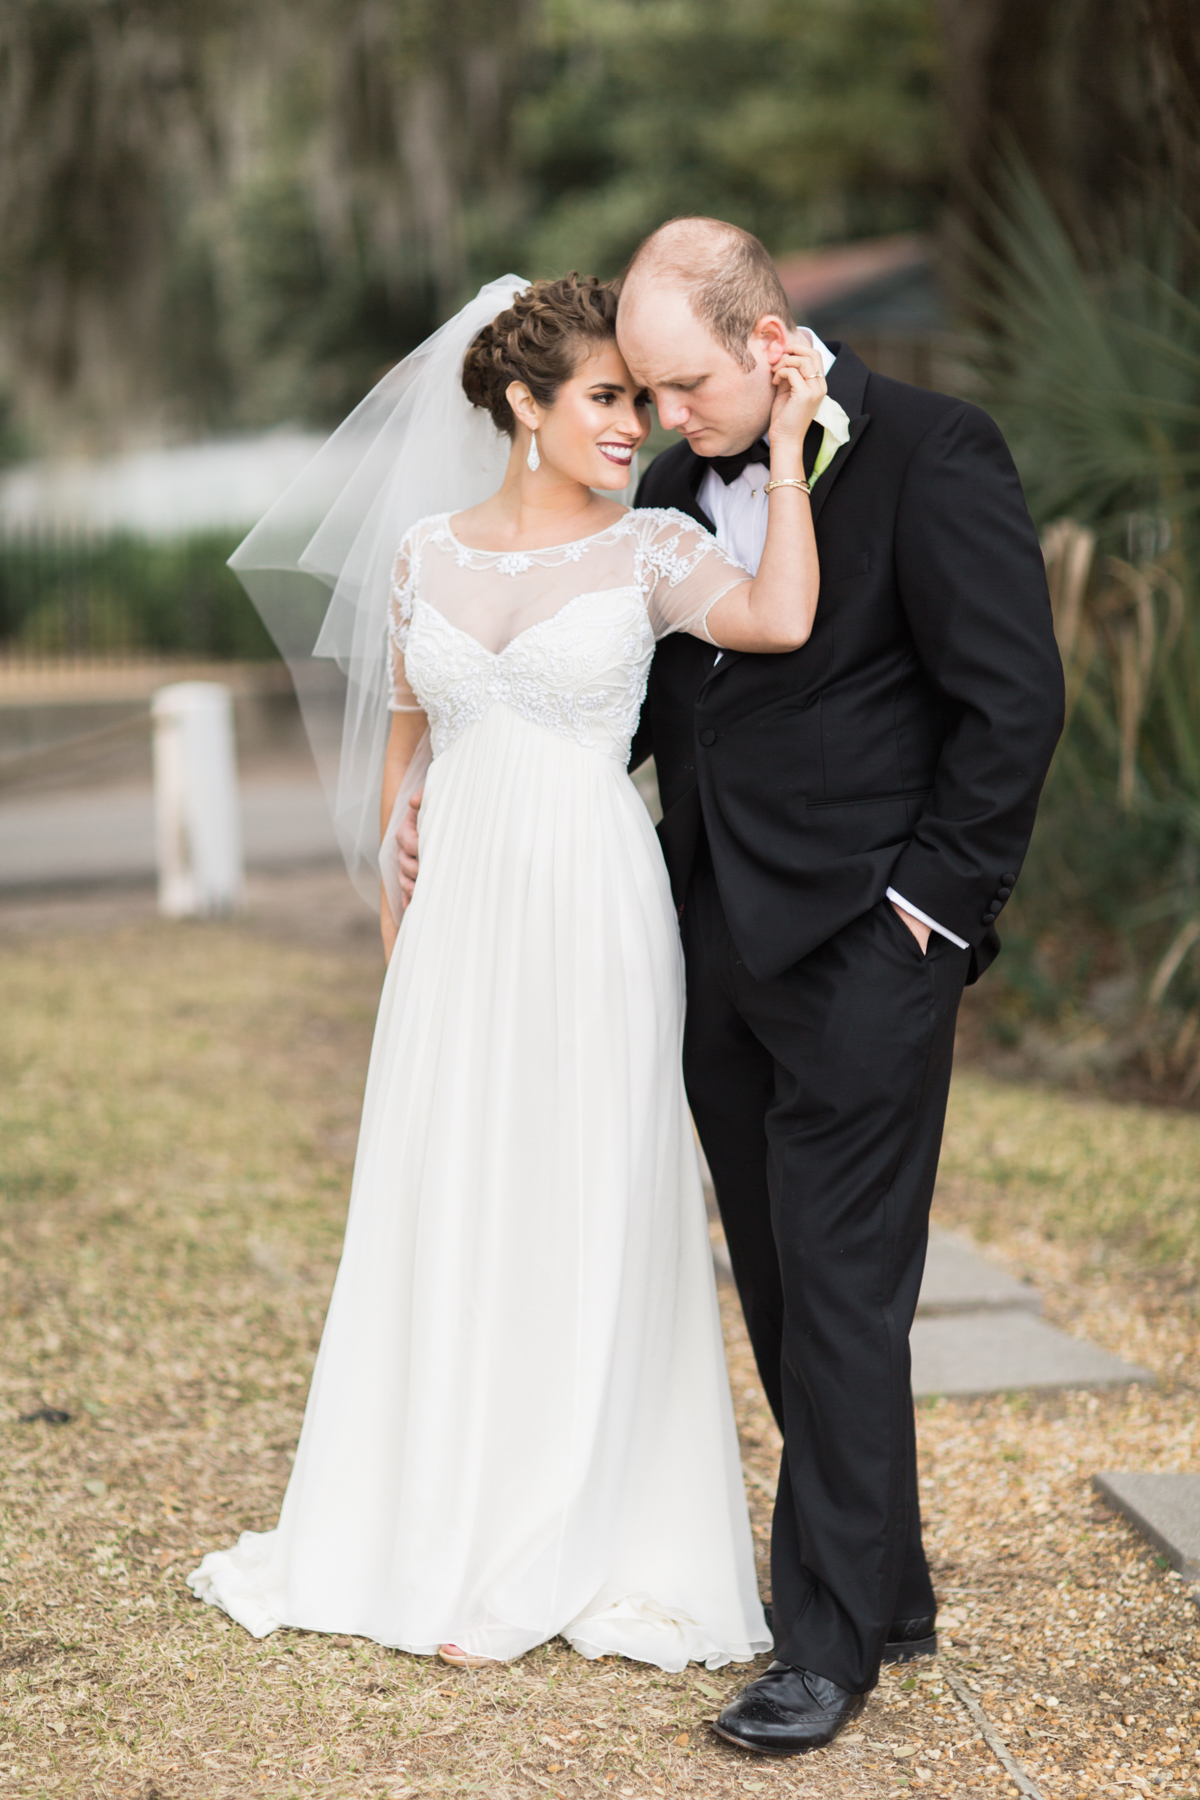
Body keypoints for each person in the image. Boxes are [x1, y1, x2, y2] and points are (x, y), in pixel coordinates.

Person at [187, 273, 833, 1673]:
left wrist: (783, 453)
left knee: (585, 1180)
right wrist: (392, 902)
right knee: (454, 1180)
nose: (637, 424)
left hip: (591, 897)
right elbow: (408, 742)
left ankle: (566, 1524)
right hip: (456, 912)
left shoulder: (651, 547)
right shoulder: (425, 555)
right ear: (523, 406)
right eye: (608, 399)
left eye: (643, 401)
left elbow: (781, 617)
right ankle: (439, 1509)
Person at [606, 217, 1065, 1752]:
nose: (669, 419)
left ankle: (823, 1651)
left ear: (763, 335)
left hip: (875, 949)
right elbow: (668, 715)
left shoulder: (934, 451)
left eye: (686, 385)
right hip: (715, 949)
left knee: (848, 1300)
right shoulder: (673, 491)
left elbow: (1011, 704)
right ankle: (889, 1588)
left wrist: (930, 916)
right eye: (652, 394)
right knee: (789, 1286)